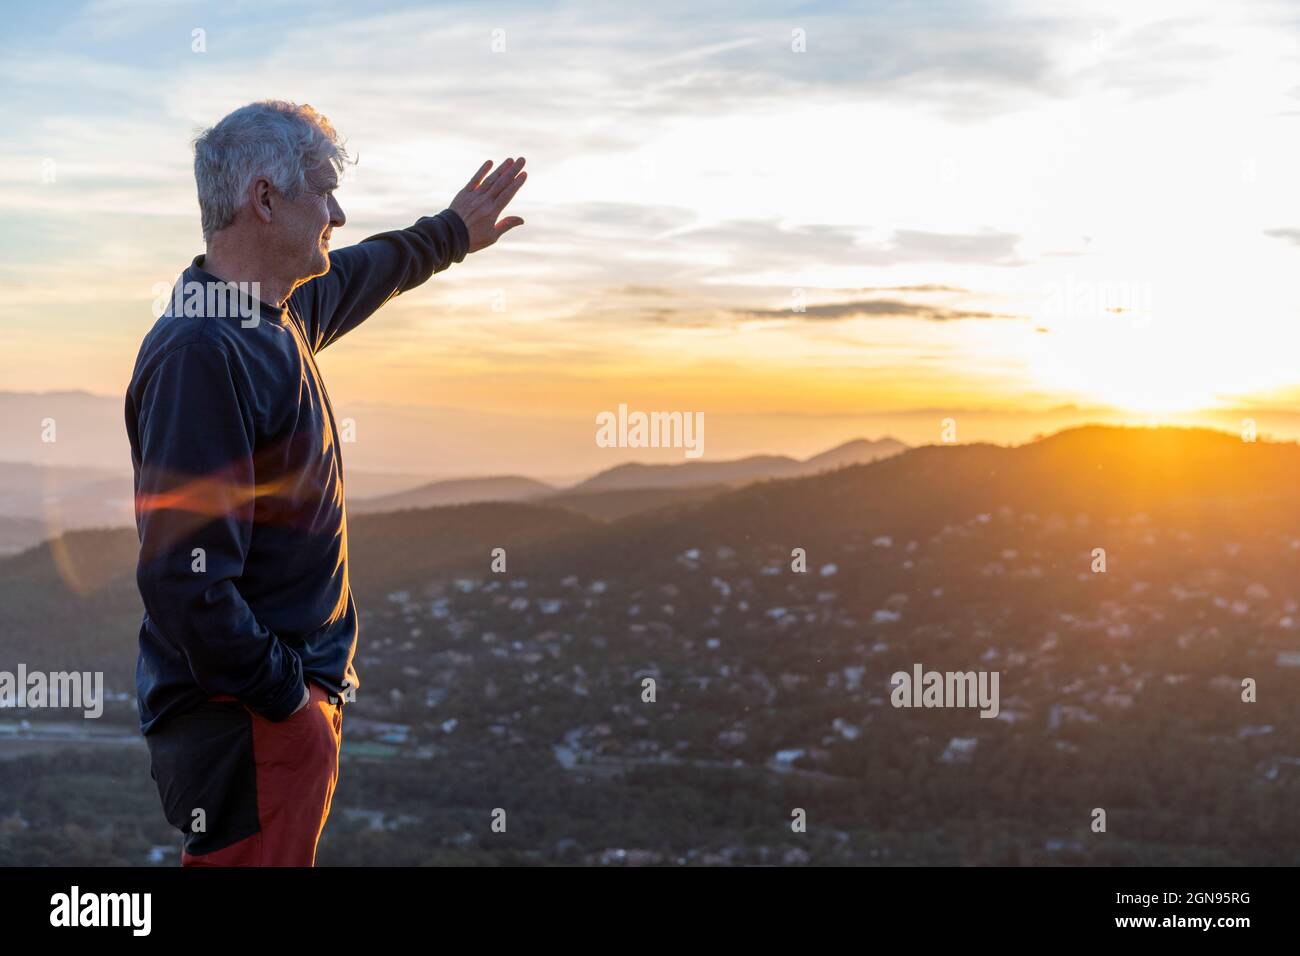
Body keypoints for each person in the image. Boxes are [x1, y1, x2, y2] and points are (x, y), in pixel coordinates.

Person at [125, 100, 526, 866]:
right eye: (323, 191)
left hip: (272, 713)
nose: (338, 212)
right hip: (247, 719)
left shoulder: (273, 316)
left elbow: (365, 272)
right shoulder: (202, 353)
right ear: (266, 199)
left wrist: (452, 234)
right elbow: (185, 578)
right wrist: (286, 703)